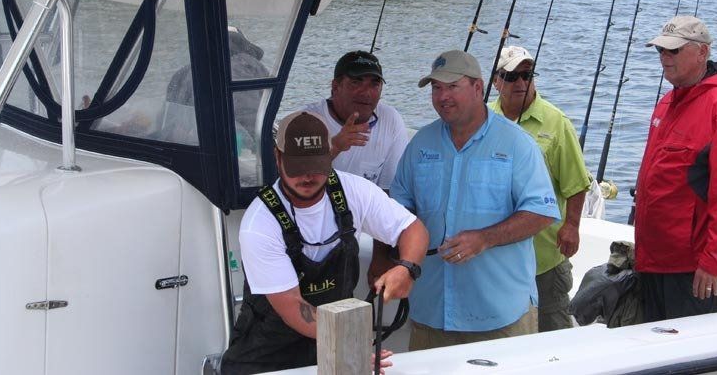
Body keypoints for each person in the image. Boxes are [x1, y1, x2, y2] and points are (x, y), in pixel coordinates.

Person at [221, 111, 429, 374]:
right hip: (268, 356)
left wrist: (407, 268)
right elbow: (293, 307)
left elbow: (413, 229)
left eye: (316, 167)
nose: (307, 177)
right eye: (298, 168)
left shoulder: (353, 191)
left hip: (333, 347)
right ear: (278, 157)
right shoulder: (259, 224)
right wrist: (350, 347)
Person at [389, 49, 560, 350]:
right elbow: (397, 209)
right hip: (431, 311)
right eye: (436, 88)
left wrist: (485, 238)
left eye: (452, 86)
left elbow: (541, 211)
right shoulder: (419, 144)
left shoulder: (517, 144)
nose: (443, 96)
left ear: (478, 88)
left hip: (499, 315)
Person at [635, 15, 717, 322]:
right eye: (660, 51)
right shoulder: (668, 102)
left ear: (702, 52)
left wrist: (714, 261)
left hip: (694, 270)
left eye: (674, 50)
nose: (665, 58)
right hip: (654, 261)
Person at [489, 46, 592, 332]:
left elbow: (577, 182)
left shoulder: (556, 122)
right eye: (511, 77)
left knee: (553, 335)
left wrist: (572, 225)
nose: (521, 83)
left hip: (544, 256)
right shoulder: (482, 120)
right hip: (495, 255)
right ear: (497, 81)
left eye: (527, 75)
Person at [304, 50, 409, 192]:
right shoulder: (306, 121)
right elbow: (297, 180)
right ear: (335, 87)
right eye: (355, 82)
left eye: (374, 84)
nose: (366, 92)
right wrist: (335, 146)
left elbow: (389, 190)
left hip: (369, 211)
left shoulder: (390, 119)